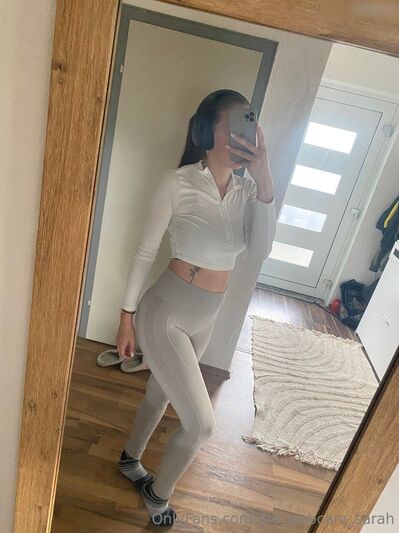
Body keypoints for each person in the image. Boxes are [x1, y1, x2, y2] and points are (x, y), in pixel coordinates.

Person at [115, 89, 277, 526]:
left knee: (161, 393)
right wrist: (126, 317)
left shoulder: (248, 192)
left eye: (249, 128)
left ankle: (129, 459)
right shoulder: (177, 182)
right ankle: (157, 496)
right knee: (202, 424)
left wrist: (265, 179)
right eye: (234, 128)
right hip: (166, 310)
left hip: (208, 313)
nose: (244, 138)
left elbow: (260, 250)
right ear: (207, 133)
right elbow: (145, 251)